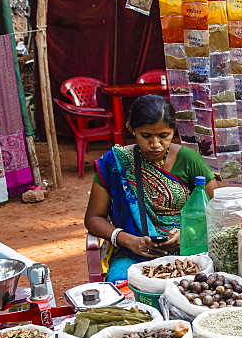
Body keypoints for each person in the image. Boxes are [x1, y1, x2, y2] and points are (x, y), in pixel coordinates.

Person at [84, 94, 216, 282]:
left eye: (164, 136)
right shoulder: (115, 163)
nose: (155, 145)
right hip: (133, 253)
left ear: (173, 131)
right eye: (146, 136)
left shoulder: (189, 160)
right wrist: (129, 241)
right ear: (132, 129)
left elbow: (219, 210)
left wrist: (187, 234)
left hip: (190, 250)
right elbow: (93, 218)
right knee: (123, 290)